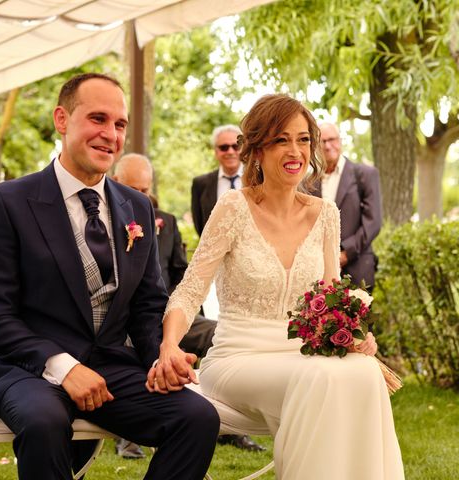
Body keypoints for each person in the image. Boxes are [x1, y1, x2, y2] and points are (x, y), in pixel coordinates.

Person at [0, 73, 219, 480]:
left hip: (113, 368)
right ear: (62, 120)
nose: (111, 134)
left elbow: (147, 305)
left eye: (119, 124)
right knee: (44, 422)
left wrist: (161, 354)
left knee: (197, 417)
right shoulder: (6, 202)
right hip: (29, 370)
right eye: (98, 119)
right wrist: (65, 368)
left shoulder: (138, 207)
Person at [151, 94, 404, 480]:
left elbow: (332, 298)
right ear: (257, 149)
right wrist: (170, 345)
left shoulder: (325, 214)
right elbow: (190, 289)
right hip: (238, 357)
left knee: (363, 372)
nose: (295, 150)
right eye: (281, 139)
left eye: (304, 140)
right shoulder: (233, 208)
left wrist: (354, 335)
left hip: (303, 355)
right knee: (324, 378)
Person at [113, 153, 262, 456]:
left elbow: (182, 271)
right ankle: (128, 435)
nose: (140, 196)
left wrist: (187, 310)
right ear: (116, 183)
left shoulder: (165, 221)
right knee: (137, 342)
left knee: (215, 333)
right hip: (129, 317)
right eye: (133, 189)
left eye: (144, 190)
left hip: (171, 310)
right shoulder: (106, 218)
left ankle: (227, 422)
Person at [314, 123, 382, 292]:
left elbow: (373, 222)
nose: (328, 146)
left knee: (358, 319)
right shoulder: (309, 182)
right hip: (319, 273)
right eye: (322, 142)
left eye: (332, 140)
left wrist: (345, 253)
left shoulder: (365, 174)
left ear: (340, 141)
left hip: (357, 268)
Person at [191, 125, 242, 237]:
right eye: (224, 147)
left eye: (236, 146)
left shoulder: (259, 179)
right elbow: (199, 225)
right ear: (216, 151)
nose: (230, 151)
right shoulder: (200, 184)